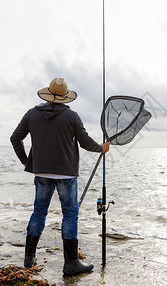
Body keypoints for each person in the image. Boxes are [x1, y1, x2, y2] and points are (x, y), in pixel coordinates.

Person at [10, 77, 110, 275]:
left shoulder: (32, 114)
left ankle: (29, 258)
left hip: (41, 172)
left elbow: (15, 138)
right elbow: (85, 142)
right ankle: (71, 263)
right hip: (66, 174)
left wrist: (25, 161)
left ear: (48, 95)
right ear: (65, 96)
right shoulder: (72, 116)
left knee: (39, 212)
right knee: (70, 214)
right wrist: (101, 148)